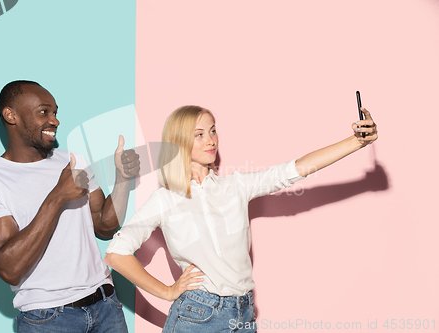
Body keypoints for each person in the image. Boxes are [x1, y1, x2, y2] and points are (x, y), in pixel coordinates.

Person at [104, 104, 378, 332]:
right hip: (197, 316)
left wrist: (356, 142)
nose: (211, 140)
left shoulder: (235, 187)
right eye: (199, 134)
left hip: (243, 314)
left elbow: (293, 170)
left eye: (212, 131)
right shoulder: (164, 200)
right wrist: (166, 291)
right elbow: (116, 253)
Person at [0, 80, 140, 333]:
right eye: (43, 112)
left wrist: (122, 179)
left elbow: (104, 225)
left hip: (106, 306)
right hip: (49, 319)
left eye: (55, 112)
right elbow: (9, 268)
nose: (54, 120)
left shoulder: (73, 161)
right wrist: (57, 197)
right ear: (10, 115)